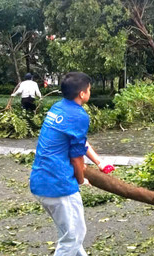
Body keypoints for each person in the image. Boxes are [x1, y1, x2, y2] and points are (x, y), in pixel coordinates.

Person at [30, 72, 114, 256]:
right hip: (58, 185)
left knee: (69, 233)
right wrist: (81, 180)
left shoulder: (58, 108)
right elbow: (76, 158)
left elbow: (78, 143)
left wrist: (99, 162)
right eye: (89, 90)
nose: (89, 93)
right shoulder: (78, 116)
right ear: (82, 94)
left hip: (40, 181)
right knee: (74, 237)